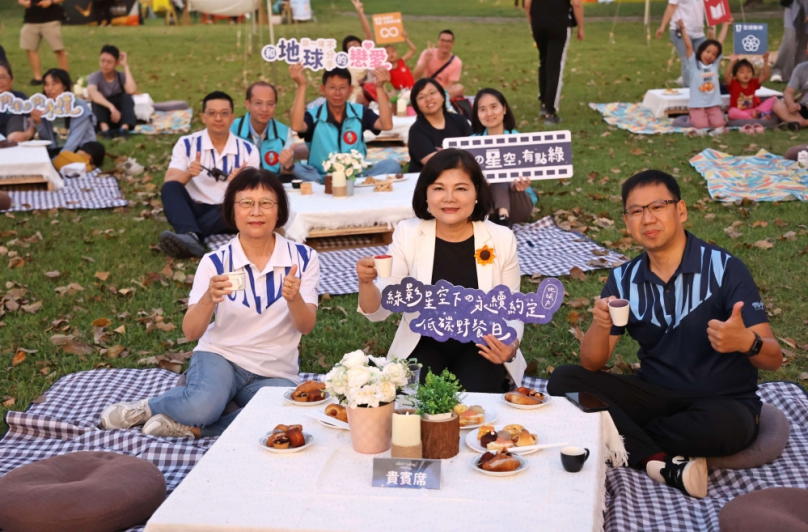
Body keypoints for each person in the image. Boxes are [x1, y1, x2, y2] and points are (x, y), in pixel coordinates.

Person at [547, 169, 782, 499]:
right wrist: (600, 326)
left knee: (724, 429)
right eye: (636, 211)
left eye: (657, 206)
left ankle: (615, 434)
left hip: (722, 401)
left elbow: (774, 359)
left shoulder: (724, 268)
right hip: (656, 394)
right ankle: (658, 461)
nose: (647, 219)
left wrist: (747, 341)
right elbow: (592, 363)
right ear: (627, 222)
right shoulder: (624, 279)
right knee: (563, 382)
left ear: (681, 211)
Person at [101, 168, 320, 438]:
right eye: (246, 203)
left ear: (279, 210)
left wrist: (294, 298)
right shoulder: (215, 261)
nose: (256, 211)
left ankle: (194, 428)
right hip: (222, 356)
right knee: (203, 405)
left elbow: (306, 326)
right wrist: (208, 299)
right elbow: (191, 332)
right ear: (232, 210)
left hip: (275, 369)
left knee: (287, 410)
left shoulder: (303, 258)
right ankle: (150, 407)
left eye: (266, 203)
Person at [356, 149, 526, 393]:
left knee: (480, 401)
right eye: (438, 188)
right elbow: (379, 309)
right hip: (424, 342)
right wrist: (366, 283)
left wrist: (511, 344)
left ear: (477, 192)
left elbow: (512, 307)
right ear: (425, 193)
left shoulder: (501, 237)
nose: (449, 198)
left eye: (460, 188)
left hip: (482, 343)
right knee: (419, 401)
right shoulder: (408, 233)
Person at [159, 91, 260, 259]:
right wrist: (188, 174)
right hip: (195, 207)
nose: (218, 119)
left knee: (241, 205)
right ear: (203, 117)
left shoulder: (248, 150)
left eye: (224, 113)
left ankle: (192, 235)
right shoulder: (187, 143)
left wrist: (241, 183)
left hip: (227, 212)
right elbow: (170, 181)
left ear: (232, 117)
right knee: (170, 188)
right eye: (212, 113)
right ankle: (192, 234)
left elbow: (253, 195)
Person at [289, 65, 399, 183]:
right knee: (296, 168)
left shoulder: (360, 112)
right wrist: (301, 86)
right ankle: (324, 184)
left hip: (356, 177)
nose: (337, 93)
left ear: (350, 90)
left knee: (392, 165)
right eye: (332, 87)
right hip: (322, 177)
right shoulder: (313, 115)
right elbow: (296, 126)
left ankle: (359, 183)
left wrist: (379, 88)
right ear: (323, 90)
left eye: (342, 87)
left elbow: (386, 125)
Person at [471, 88, 537, 227]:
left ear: (504, 109)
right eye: (482, 109)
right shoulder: (471, 143)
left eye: (494, 107)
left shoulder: (518, 139)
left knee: (498, 169)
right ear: (477, 114)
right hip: (484, 203)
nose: (489, 113)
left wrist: (517, 186)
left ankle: (503, 217)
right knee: (490, 172)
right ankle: (501, 218)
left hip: (517, 203)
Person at [524, 0, 584, 125]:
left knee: (544, 62)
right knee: (555, 66)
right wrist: (581, 27)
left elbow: (527, 4)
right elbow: (577, 3)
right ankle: (550, 111)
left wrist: (533, 24)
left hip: (539, 23)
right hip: (559, 23)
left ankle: (544, 103)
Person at [231, 81, 299, 181]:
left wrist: (287, 165)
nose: (264, 109)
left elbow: (287, 173)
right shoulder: (231, 130)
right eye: (258, 103)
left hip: (272, 187)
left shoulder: (284, 133)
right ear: (247, 104)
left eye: (270, 104)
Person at [407, 78, 472, 174]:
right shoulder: (416, 131)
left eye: (432, 93)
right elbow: (436, 164)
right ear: (416, 106)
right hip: (429, 182)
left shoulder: (459, 120)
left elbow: (474, 149)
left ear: (443, 95)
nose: (428, 99)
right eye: (421, 97)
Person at [31, 68, 96, 157]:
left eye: (54, 84)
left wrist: (59, 158)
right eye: (46, 84)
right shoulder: (45, 106)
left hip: (79, 148)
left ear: (64, 86)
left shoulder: (78, 105)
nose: (49, 89)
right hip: (56, 149)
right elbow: (47, 140)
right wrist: (38, 122)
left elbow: (75, 138)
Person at [681, 20, 730, 130]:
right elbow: (689, 46)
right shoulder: (694, 64)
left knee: (719, 124)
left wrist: (725, 25)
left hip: (712, 104)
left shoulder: (714, 65)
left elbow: (720, 43)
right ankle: (692, 117)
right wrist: (683, 29)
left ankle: (709, 116)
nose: (710, 56)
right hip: (697, 105)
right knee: (702, 125)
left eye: (713, 54)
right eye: (707, 52)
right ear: (701, 51)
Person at [87, 45, 137, 139]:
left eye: (109, 62)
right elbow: (92, 93)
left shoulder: (120, 76)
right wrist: (111, 107)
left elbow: (131, 90)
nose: (105, 64)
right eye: (102, 61)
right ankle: (105, 131)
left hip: (120, 115)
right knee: (96, 102)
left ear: (116, 63)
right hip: (105, 114)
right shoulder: (95, 77)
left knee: (127, 98)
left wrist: (125, 66)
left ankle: (123, 129)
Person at [655, 0, 709, 87]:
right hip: (680, 30)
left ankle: (699, 86)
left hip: (699, 33)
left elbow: (710, 7)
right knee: (687, 61)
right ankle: (688, 89)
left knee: (704, 59)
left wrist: (712, 26)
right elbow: (671, 6)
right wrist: (662, 26)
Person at [18, 0, 68, 86]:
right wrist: (24, 3)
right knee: (30, 48)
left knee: (58, 49)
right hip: (31, 20)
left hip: (51, 19)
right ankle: (38, 77)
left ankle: (64, 78)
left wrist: (51, 2)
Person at [413, 30, 465, 99]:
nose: (445, 44)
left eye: (448, 41)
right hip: (426, 88)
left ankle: (436, 99)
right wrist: (426, 61)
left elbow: (449, 85)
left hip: (442, 91)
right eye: (442, 40)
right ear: (438, 41)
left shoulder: (457, 62)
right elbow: (416, 76)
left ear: (453, 44)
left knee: (460, 88)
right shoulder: (428, 53)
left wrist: (437, 93)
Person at [725, 54, 775, 121]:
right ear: (735, 76)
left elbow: (765, 76)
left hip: (752, 111)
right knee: (732, 112)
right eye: (742, 72)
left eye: (749, 71)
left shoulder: (753, 82)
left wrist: (765, 61)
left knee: (773, 100)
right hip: (738, 112)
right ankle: (756, 120)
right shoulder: (733, 83)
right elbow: (726, 76)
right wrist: (732, 62)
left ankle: (756, 117)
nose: (746, 74)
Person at [770, 0, 808, 83]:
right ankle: (779, 71)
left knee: (803, 42)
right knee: (789, 39)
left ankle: (798, 74)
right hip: (793, 6)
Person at [0, 61, 35, 143]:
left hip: (15, 141)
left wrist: (27, 135)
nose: (0, 81)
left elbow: (31, 120)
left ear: (12, 80)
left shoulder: (19, 98)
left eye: (3, 77)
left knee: (16, 119)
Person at [772, 61, 808, 130]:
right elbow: (788, 92)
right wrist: (791, 104)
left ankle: (802, 124)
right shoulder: (801, 68)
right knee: (775, 102)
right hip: (803, 107)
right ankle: (801, 122)